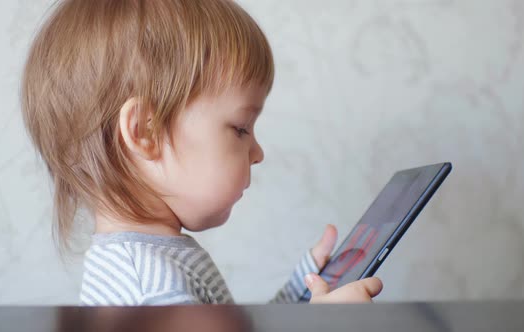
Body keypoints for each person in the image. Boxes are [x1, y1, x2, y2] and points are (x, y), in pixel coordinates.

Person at [21, 0, 383, 305]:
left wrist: (300, 293)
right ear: (145, 131)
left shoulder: (149, 261)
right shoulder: (152, 290)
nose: (257, 153)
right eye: (240, 128)